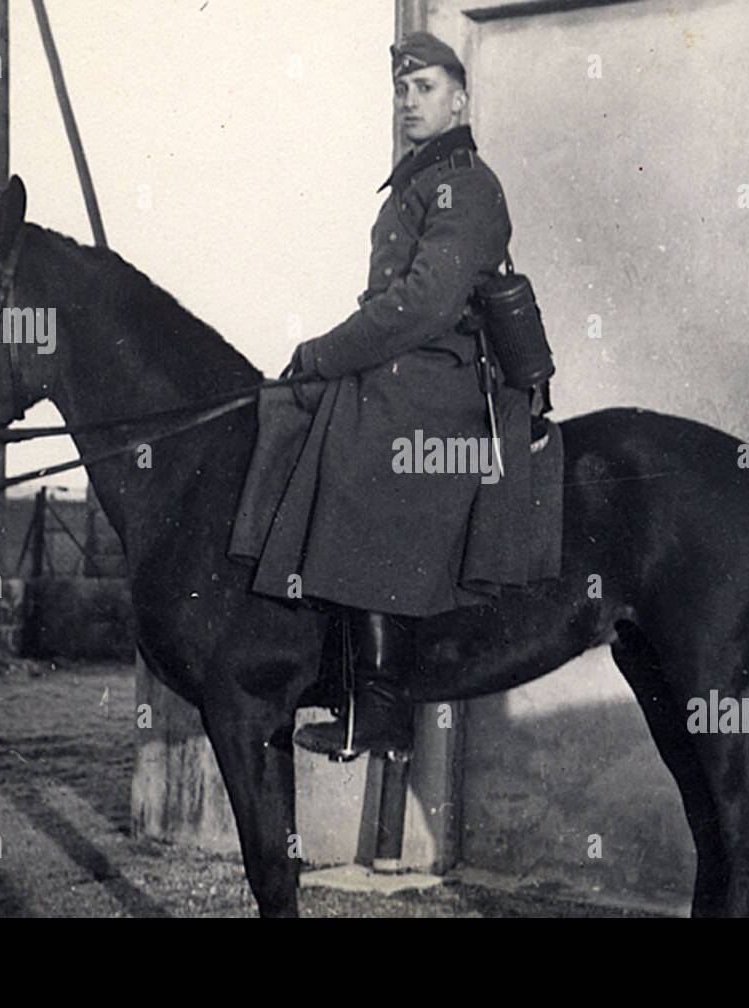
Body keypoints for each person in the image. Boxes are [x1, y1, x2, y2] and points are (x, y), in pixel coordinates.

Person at [229, 32, 544, 760]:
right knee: (313, 417)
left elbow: (425, 303)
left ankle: (379, 709)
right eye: (403, 90)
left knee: (365, 456)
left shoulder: (466, 183)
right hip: (411, 363)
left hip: (444, 373)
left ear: (460, 99)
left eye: (425, 88)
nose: (409, 101)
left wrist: (323, 350)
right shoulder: (421, 179)